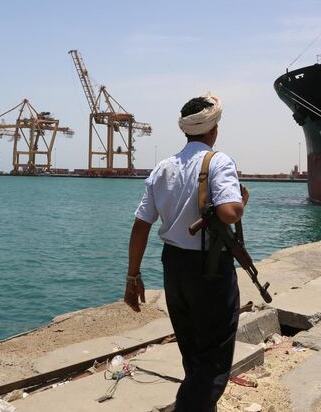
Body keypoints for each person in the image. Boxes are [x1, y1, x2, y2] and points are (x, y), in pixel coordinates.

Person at [123, 93, 249, 412]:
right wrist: (242, 201)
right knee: (215, 357)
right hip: (209, 267)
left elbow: (141, 225)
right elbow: (230, 212)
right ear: (214, 129)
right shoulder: (218, 161)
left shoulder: (163, 168)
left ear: (185, 130)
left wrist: (132, 276)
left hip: (174, 266)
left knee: (192, 350)